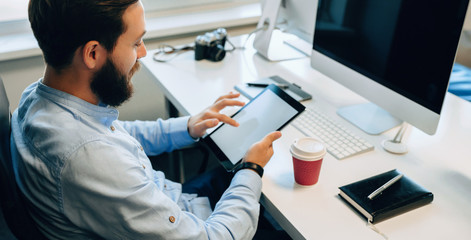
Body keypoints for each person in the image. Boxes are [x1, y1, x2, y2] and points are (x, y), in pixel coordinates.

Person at [11, 0, 283, 239]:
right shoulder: (86, 156)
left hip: (170, 204)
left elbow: (113, 134)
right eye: (135, 42)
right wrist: (251, 169)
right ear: (93, 53)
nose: (142, 52)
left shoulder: (38, 97)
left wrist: (188, 127)